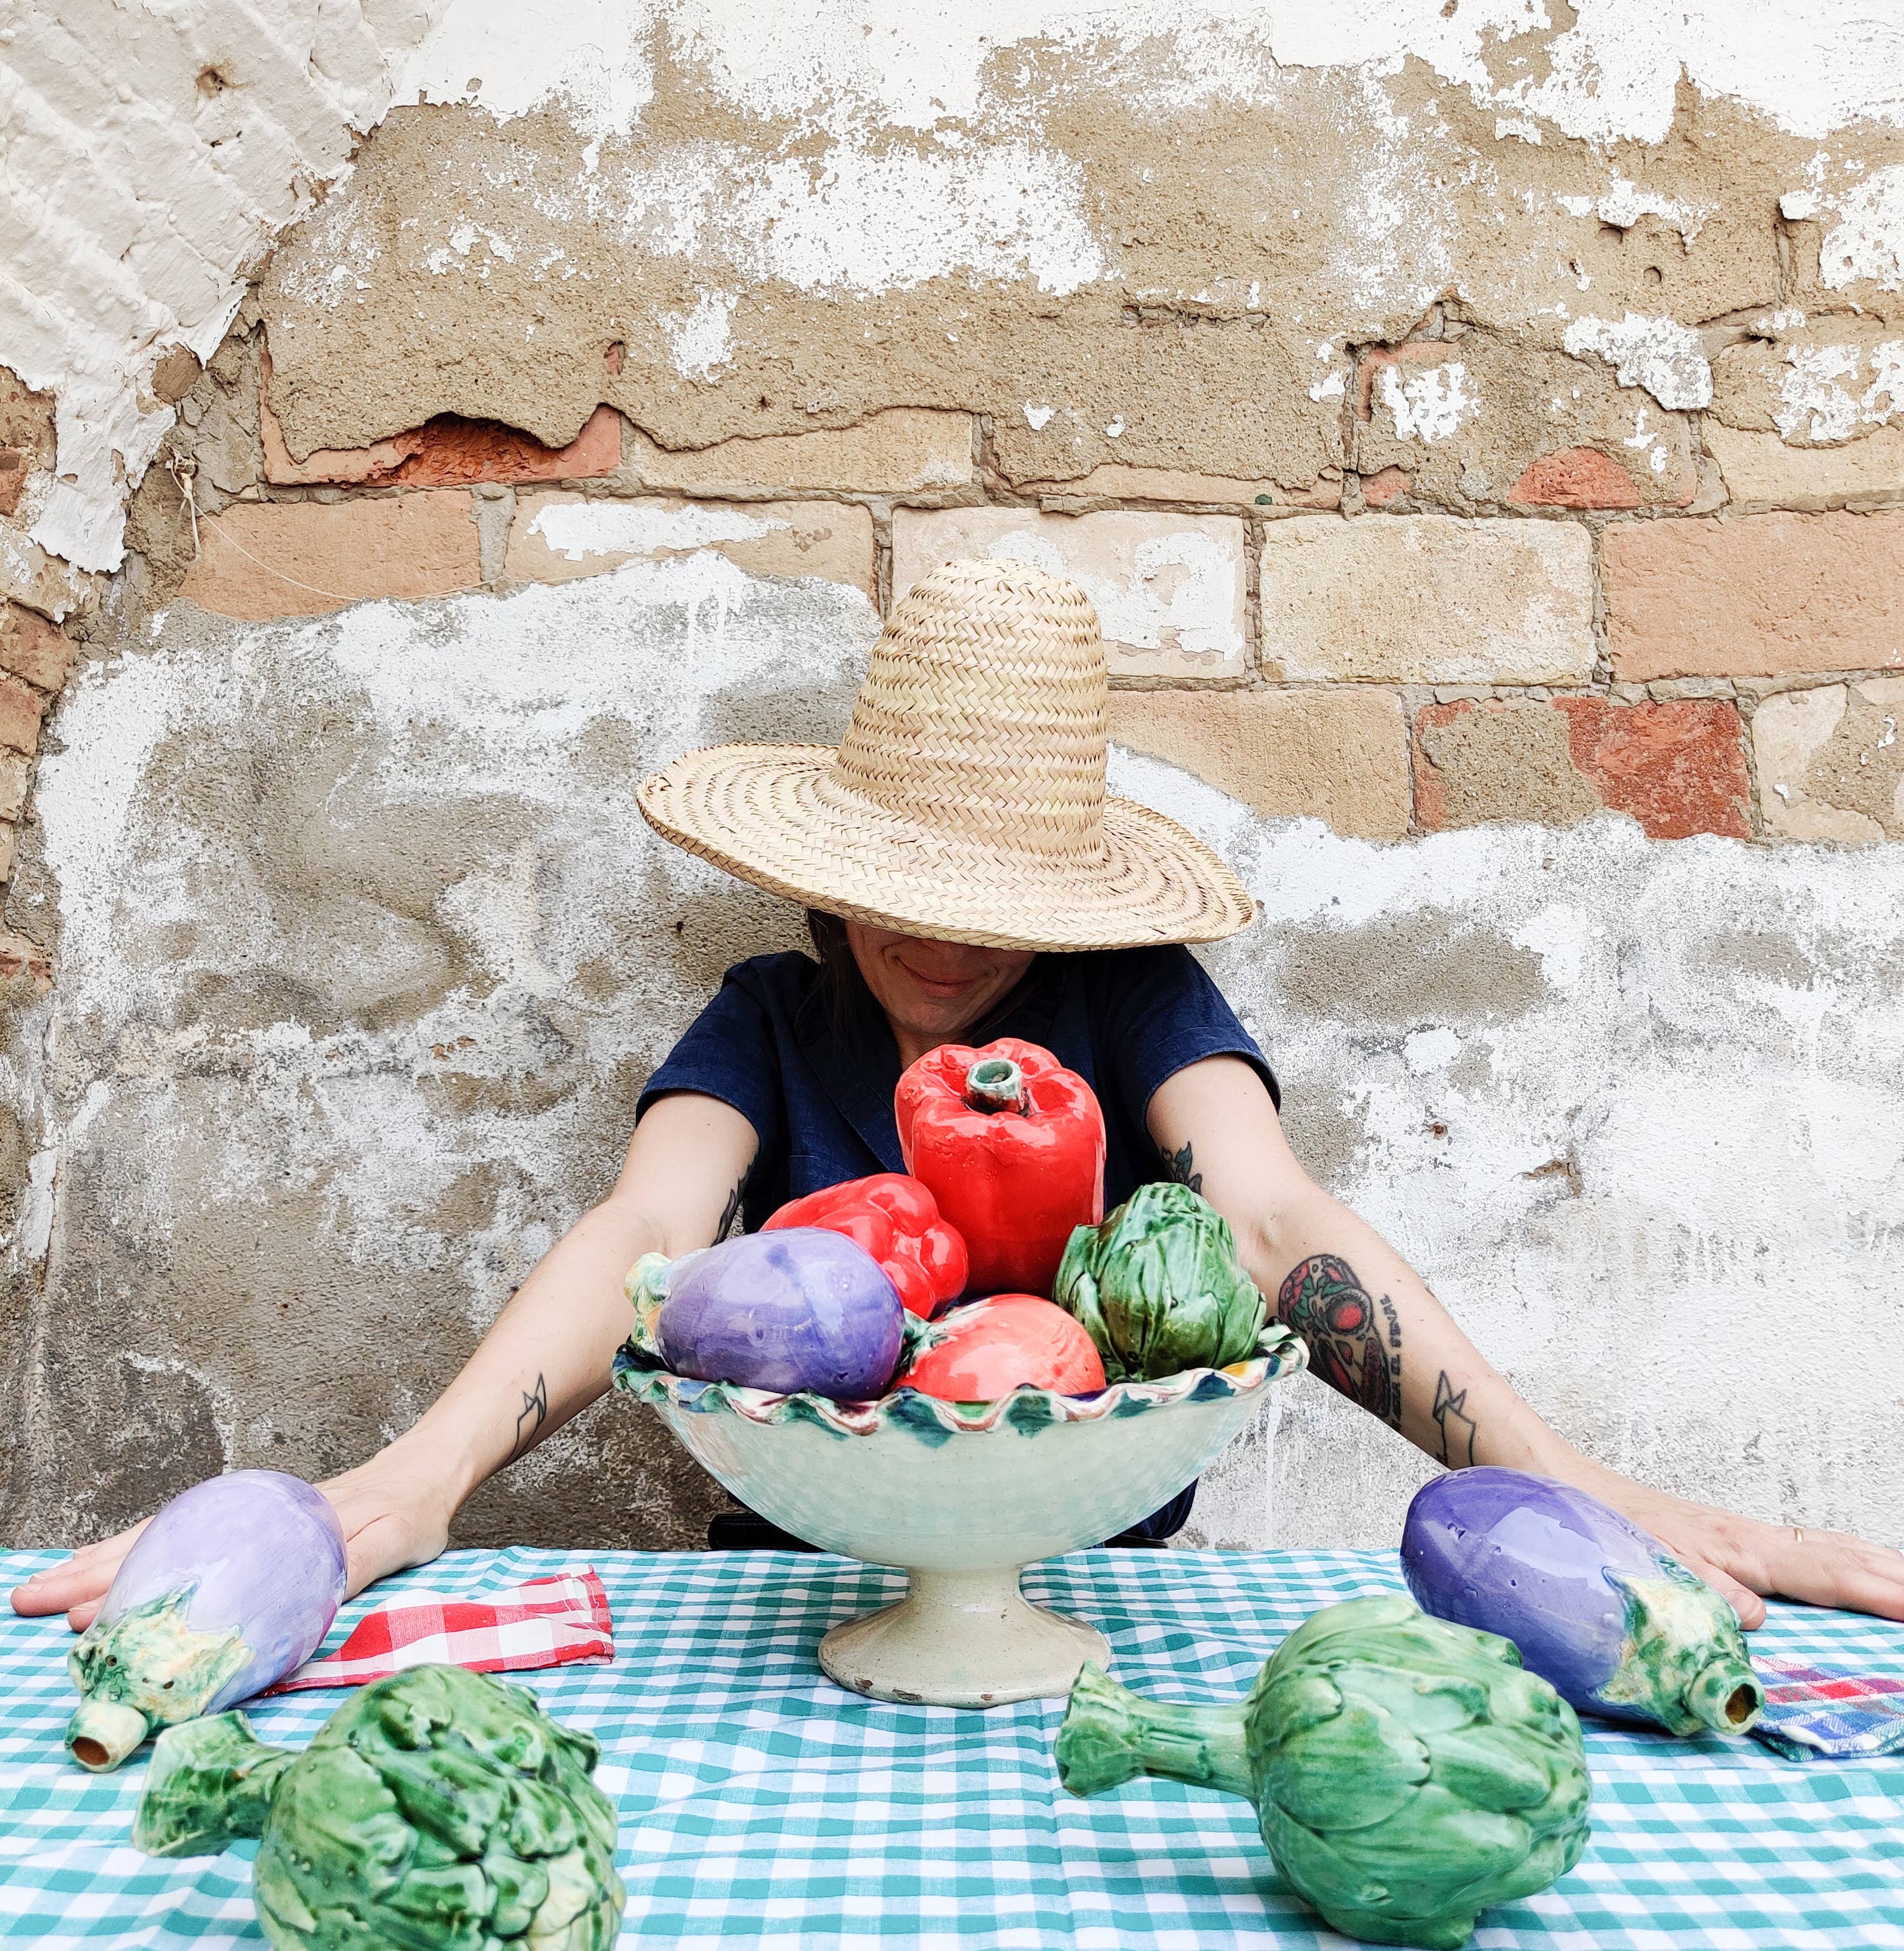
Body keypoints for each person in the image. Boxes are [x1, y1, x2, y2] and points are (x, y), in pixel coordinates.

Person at [17, 559, 1904, 1635]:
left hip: (1102, 1626)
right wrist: (406, 1490)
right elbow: (647, 1235)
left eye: (993, 908)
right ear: (829, 869)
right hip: (794, 1614)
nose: (941, 947)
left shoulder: (1135, 1001)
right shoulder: (764, 1017)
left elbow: (1277, 1227)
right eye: (904, 892)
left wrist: (1594, 1502)